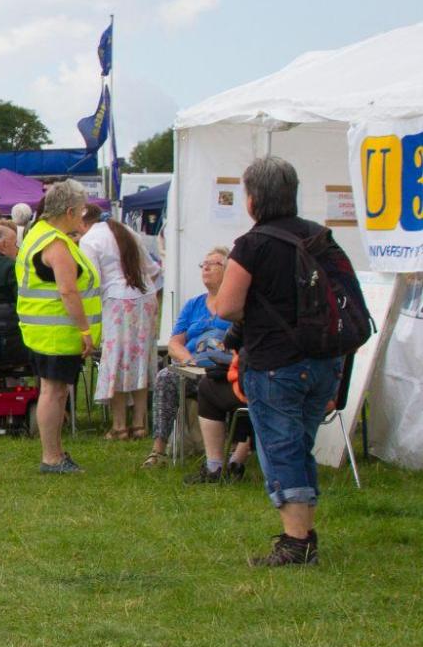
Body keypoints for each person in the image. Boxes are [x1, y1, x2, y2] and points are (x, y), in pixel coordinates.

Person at [210, 156, 356, 566]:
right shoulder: (320, 237)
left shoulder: (252, 245)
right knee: (299, 446)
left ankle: (295, 543)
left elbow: (226, 306)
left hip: (275, 362)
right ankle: (304, 533)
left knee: (281, 450)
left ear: (253, 199)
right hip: (325, 361)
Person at [16, 179, 100, 475]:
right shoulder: (57, 245)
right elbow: (68, 290)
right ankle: (51, 456)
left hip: (42, 330)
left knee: (56, 391)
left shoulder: (37, 233)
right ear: (68, 210)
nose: (82, 218)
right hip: (57, 331)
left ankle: (55, 452)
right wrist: (85, 330)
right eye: (80, 212)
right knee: (53, 392)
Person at [142, 246, 247, 472]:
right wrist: (189, 360)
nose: (206, 267)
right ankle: (158, 450)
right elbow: (174, 343)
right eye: (204, 264)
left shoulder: (237, 304)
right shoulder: (193, 305)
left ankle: (231, 452)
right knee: (165, 377)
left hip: (225, 370)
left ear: (229, 271)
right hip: (193, 368)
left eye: (214, 263)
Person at [80, 208, 161, 440]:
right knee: (141, 359)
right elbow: (152, 270)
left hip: (116, 300)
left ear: (84, 223)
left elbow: (91, 281)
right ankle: (140, 423)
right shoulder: (127, 231)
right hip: (145, 297)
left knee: (115, 360)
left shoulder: (89, 240)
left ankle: (119, 425)